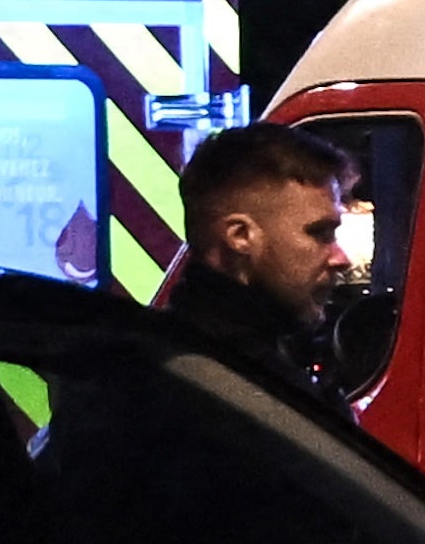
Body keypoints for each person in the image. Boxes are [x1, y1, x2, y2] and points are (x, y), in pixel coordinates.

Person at [153, 124, 374, 417]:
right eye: (319, 233)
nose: (341, 258)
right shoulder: (216, 388)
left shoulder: (192, 359)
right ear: (240, 236)